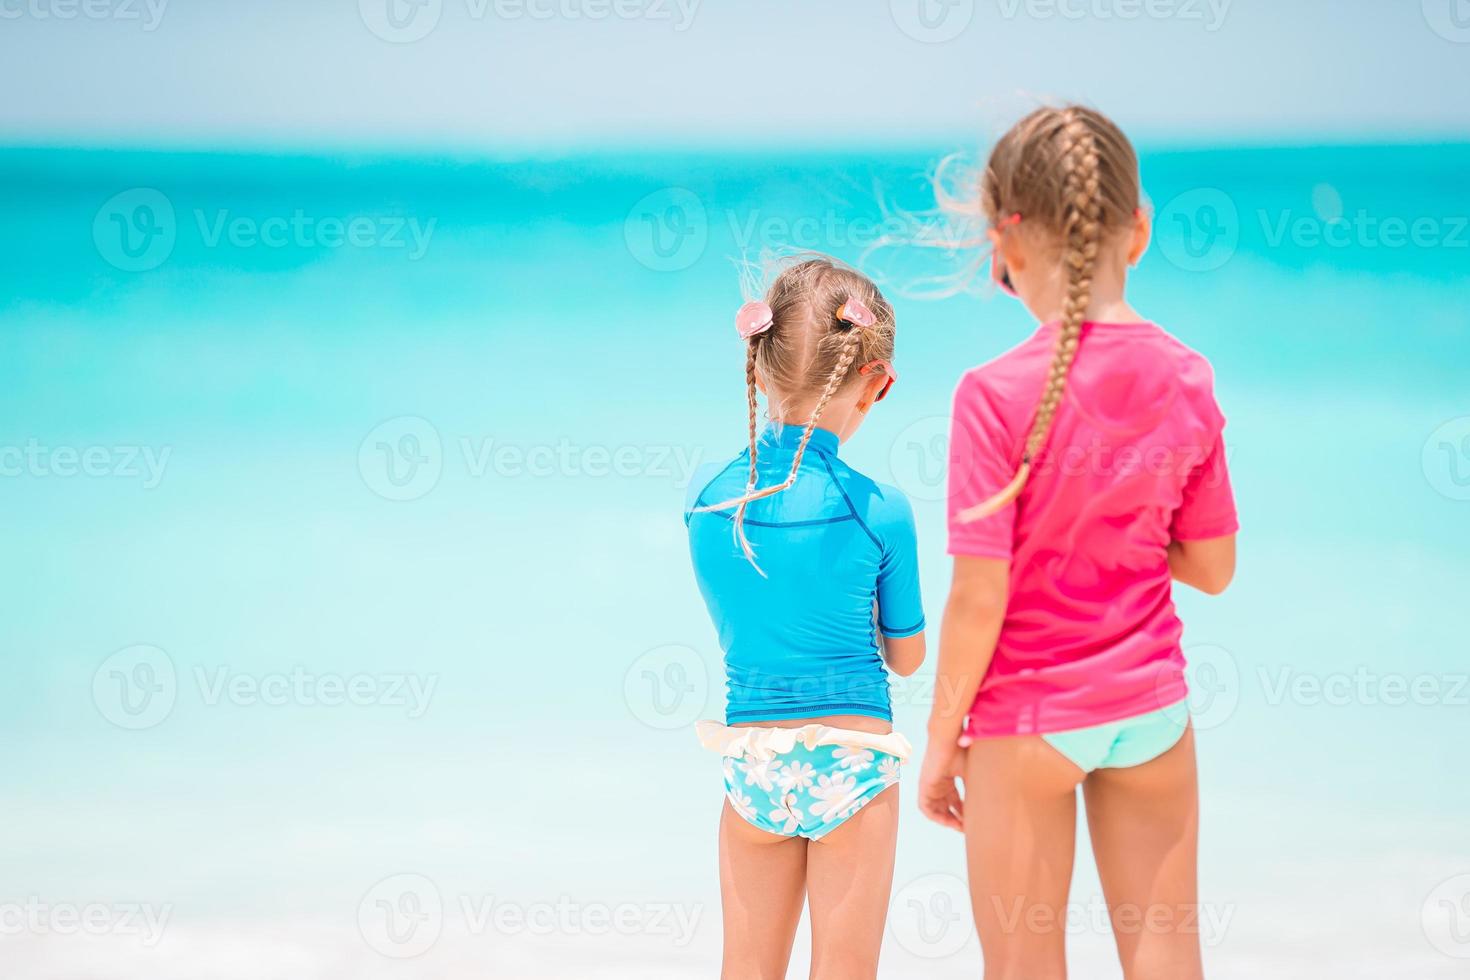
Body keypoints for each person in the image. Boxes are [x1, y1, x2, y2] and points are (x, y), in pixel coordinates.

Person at [917, 105, 1239, 980]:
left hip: (1028, 723)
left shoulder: (991, 394)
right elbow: (1213, 569)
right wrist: (1126, 527)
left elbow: (978, 599)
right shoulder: (1188, 375)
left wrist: (941, 743)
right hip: (1152, 715)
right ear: (1138, 231)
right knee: (1170, 961)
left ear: (1005, 244)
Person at [684, 256, 926, 979]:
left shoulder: (707, 500)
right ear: (876, 382)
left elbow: (743, 623)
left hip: (750, 764)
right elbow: (906, 657)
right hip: (849, 767)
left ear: (757, 367)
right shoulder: (881, 509)